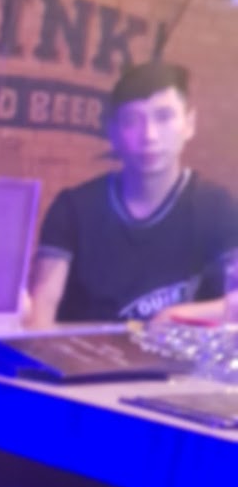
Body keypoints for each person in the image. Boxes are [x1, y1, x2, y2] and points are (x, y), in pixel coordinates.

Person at [26, 61, 238, 329]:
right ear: (113, 132)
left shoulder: (216, 208)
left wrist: (175, 315)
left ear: (189, 124)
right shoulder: (72, 209)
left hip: (175, 356)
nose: (149, 135)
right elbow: (42, 309)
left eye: (164, 117)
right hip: (85, 354)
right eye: (132, 121)